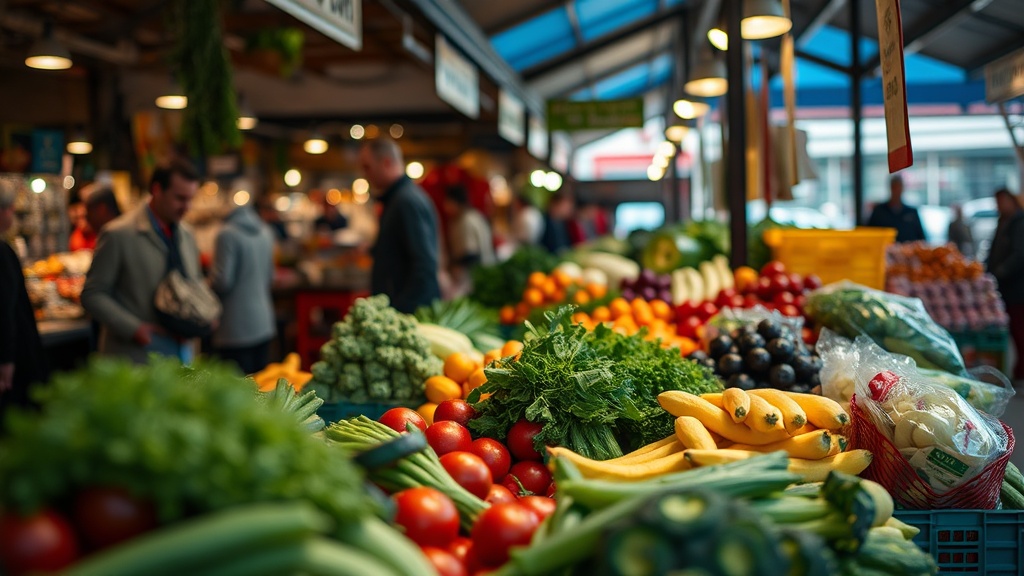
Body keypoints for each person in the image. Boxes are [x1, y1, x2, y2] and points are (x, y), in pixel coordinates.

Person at [81, 158, 203, 364]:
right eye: (180, 198)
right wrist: (134, 328)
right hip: (135, 358)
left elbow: (194, 281)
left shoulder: (187, 235)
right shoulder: (118, 233)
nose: (187, 207)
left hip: (183, 355)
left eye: (191, 199)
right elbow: (93, 294)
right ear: (157, 190)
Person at [358, 138, 440, 313]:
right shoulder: (399, 198)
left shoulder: (406, 202)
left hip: (412, 314)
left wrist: (399, 311)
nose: (365, 174)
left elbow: (424, 266)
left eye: (367, 167)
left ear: (386, 163)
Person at [209, 203, 276, 374]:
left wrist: (202, 284)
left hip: (235, 325)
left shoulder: (226, 234)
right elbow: (270, 276)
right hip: (264, 320)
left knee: (238, 391)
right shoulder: (266, 231)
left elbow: (222, 281)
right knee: (260, 388)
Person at [0, 182, 47, 420]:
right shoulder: (2, 251)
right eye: (10, 209)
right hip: (15, 361)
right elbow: (4, 309)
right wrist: (6, 359)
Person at [986, 188, 1024, 383]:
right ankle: (1017, 370)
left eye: (1001, 201)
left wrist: (1000, 271)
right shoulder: (1004, 221)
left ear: (1011, 200)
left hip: (1017, 288)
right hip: (1005, 287)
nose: (999, 206)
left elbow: (1019, 254)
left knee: (1019, 330)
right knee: (1013, 331)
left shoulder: (1019, 222)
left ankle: (1021, 371)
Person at [444, 184, 495, 297]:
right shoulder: (474, 216)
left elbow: (471, 254)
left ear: (455, 202)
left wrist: (452, 265)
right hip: (482, 273)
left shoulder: (466, 221)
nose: (445, 206)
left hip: (475, 277)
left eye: (447, 202)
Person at [867, 175, 926, 243]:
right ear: (890, 188)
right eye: (894, 187)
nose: (897, 190)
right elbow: (869, 235)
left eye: (899, 187)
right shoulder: (879, 211)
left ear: (903, 189)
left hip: (908, 252)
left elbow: (922, 239)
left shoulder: (912, 213)